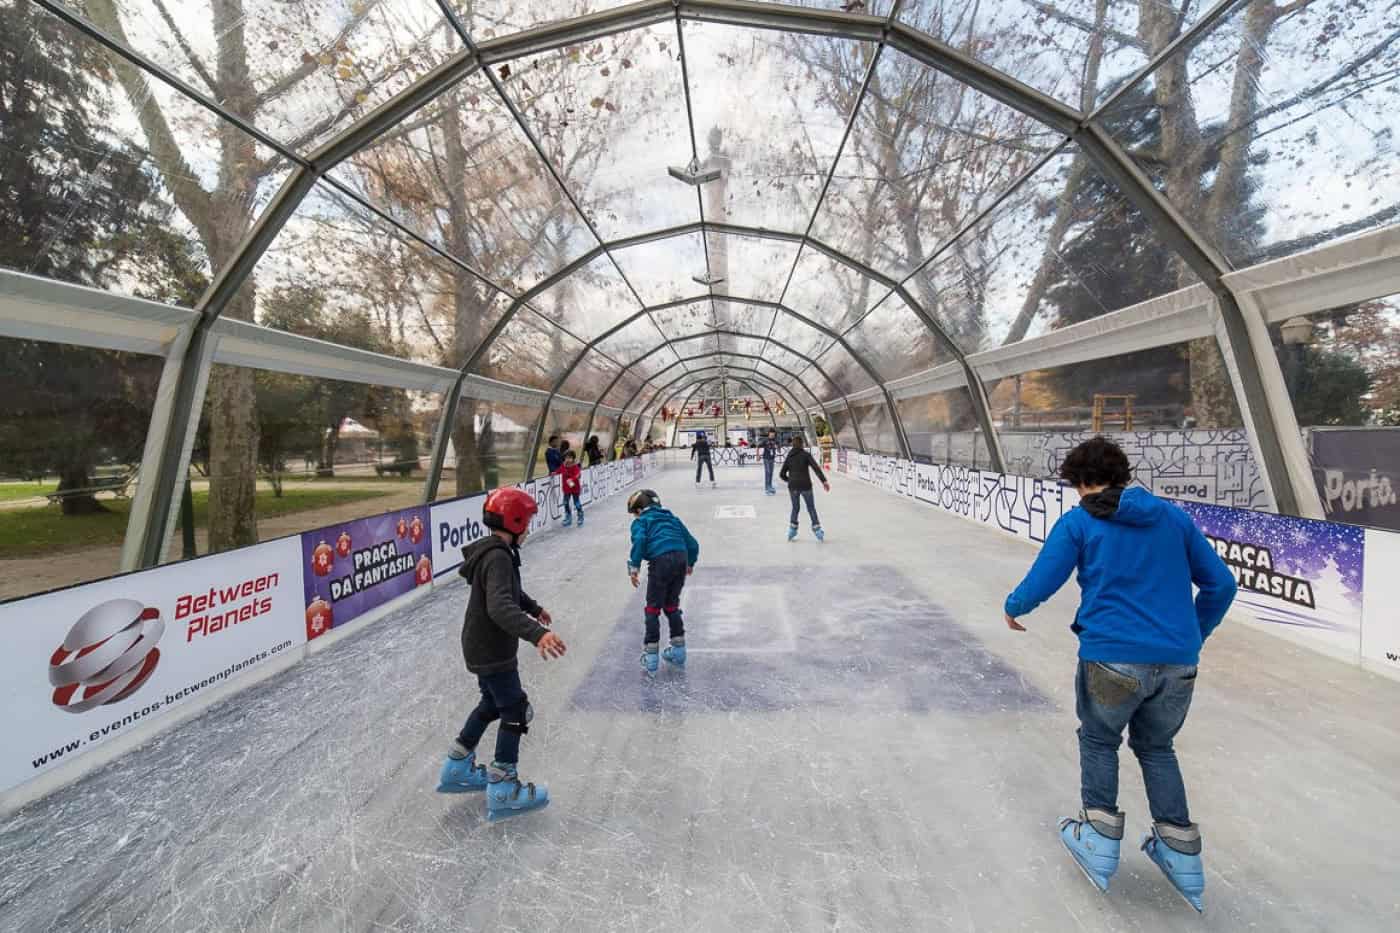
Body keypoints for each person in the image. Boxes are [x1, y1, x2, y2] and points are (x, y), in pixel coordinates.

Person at [1002, 437, 1236, 911]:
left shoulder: (1081, 521)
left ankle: (1099, 835)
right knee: (1156, 747)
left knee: (1099, 740)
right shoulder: (1172, 517)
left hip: (1111, 657)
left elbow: (1046, 577)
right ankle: (1181, 851)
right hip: (1178, 663)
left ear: (1081, 481)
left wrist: (1013, 607)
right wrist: (1194, 633)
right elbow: (1222, 584)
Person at [437, 487, 567, 821]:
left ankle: (457, 766)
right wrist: (538, 634)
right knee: (516, 710)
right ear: (515, 520)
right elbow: (499, 605)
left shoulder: (496, 552)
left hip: (480, 644)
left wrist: (533, 607)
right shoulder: (497, 556)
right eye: (528, 521)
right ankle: (503, 785)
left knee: (492, 703)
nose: (529, 528)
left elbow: (509, 591)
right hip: (492, 648)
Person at [626, 489, 699, 675]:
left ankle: (651, 657)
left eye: (634, 513)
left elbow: (640, 540)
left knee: (652, 609)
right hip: (681, 557)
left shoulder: (641, 521)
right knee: (672, 606)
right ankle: (679, 651)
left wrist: (634, 567)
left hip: (660, 561)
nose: (634, 516)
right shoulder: (672, 519)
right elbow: (692, 544)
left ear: (640, 510)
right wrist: (690, 562)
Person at [780, 435, 829, 541]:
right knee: (811, 508)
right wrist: (824, 481)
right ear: (802, 444)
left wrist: (790, 480)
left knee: (795, 508)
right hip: (805, 485)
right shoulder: (806, 455)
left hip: (793, 487)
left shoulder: (789, 456)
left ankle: (792, 531)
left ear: (792, 444)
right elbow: (816, 468)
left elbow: (782, 474)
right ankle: (817, 530)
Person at [560, 449, 583, 527]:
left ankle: (580, 516)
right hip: (566, 489)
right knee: (565, 503)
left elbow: (578, 475)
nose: (568, 459)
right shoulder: (563, 465)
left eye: (570, 457)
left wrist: (572, 479)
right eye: (566, 457)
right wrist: (554, 473)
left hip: (575, 488)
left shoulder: (575, 466)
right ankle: (568, 517)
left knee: (576, 503)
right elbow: (559, 471)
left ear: (573, 458)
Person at [760, 429, 780, 496]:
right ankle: (767, 487)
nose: (772, 435)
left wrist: (777, 447)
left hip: (772, 458)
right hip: (766, 458)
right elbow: (759, 446)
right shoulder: (765, 440)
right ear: (769, 434)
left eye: (773, 434)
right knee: (767, 472)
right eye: (771, 434)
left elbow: (779, 450)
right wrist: (758, 455)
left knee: (771, 473)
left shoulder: (776, 441)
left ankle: (770, 486)